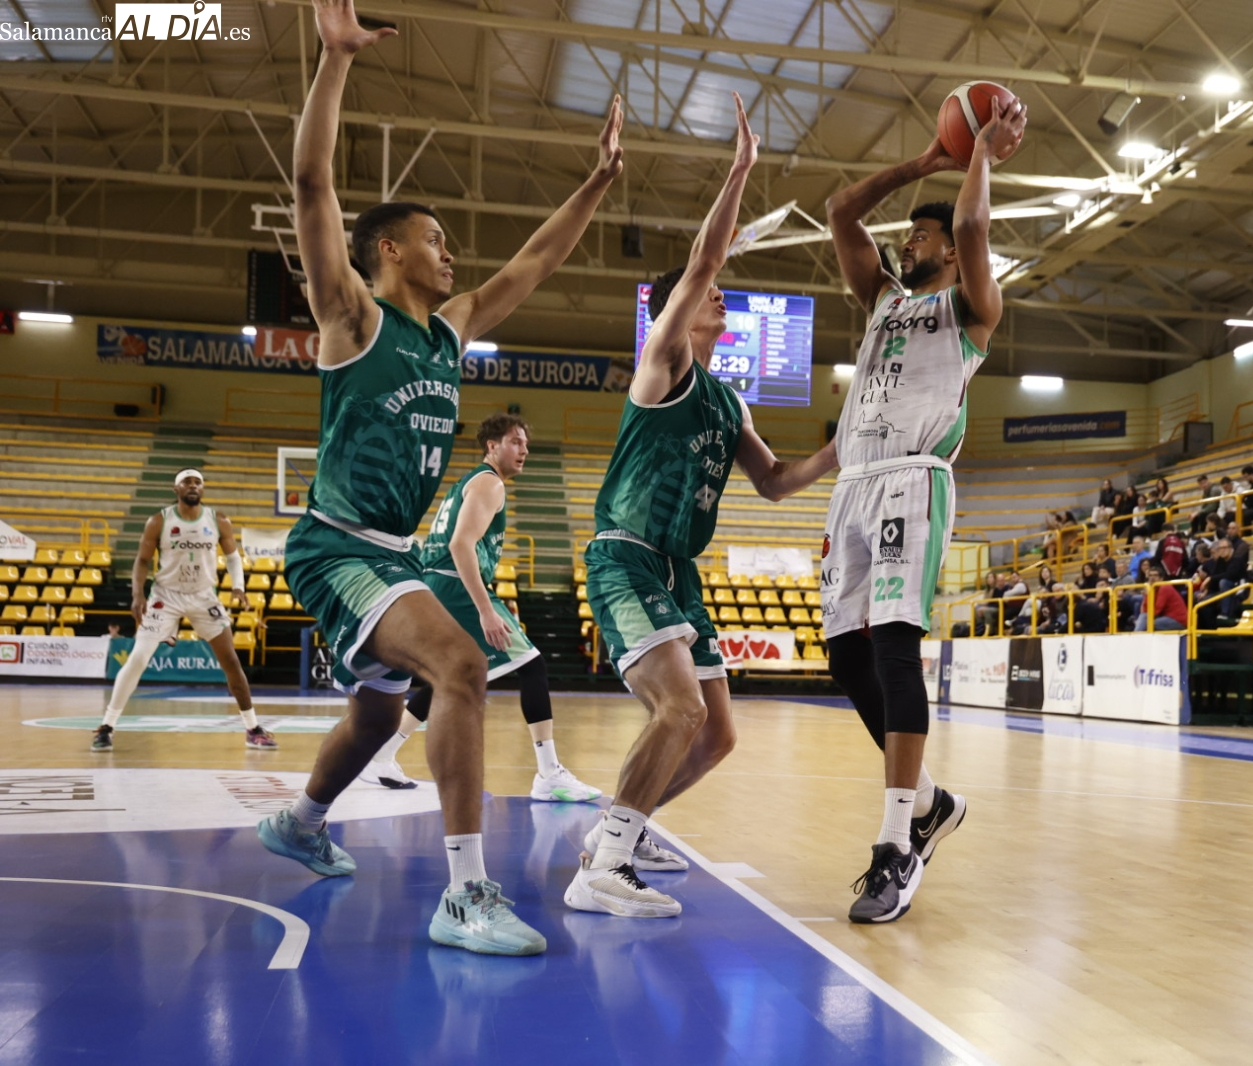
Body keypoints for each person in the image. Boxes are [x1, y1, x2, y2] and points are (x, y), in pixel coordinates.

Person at [255, 0, 623, 957]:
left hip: (392, 553)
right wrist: (336, 60)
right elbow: (311, 183)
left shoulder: (449, 331)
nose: (450, 251)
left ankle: (299, 822)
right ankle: (464, 896)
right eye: (434, 237)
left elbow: (535, 261)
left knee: (378, 712)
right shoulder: (352, 316)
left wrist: (596, 181)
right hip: (337, 546)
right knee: (461, 666)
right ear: (389, 250)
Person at [569, 97, 839, 921]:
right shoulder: (662, 362)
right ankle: (604, 865)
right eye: (708, 291)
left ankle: (620, 826)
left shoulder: (728, 401)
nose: (719, 295)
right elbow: (704, 256)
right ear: (676, 312)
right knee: (680, 709)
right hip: (627, 554)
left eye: (721, 292)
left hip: (679, 571)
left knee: (716, 733)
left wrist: (846, 446)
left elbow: (776, 482)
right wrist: (741, 170)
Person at [821, 93, 1023, 925]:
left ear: (946, 251)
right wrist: (923, 162)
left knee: (897, 653)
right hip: (852, 486)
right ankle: (932, 803)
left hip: (912, 479)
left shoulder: (972, 308)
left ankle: (894, 845)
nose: (908, 242)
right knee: (845, 659)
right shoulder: (882, 302)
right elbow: (840, 210)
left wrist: (979, 153)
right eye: (907, 234)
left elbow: (974, 226)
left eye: (921, 235)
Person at [356, 415, 602, 803]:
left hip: (438, 583)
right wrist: (486, 610)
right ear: (492, 446)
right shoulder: (489, 483)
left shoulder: (469, 482)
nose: (524, 450)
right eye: (515, 442)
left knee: (448, 677)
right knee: (532, 667)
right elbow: (460, 545)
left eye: (526, 444)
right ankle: (549, 773)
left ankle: (382, 755)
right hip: (455, 586)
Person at [92, 469, 272, 753]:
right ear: (175, 489)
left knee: (230, 660)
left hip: (203, 596)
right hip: (166, 596)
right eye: (186, 482)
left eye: (197, 482)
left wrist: (238, 586)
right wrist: (137, 594)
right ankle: (106, 726)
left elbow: (233, 557)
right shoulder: (159, 521)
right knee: (138, 659)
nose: (193, 485)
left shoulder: (218, 520)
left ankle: (253, 728)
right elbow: (142, 560)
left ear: (203, 489)